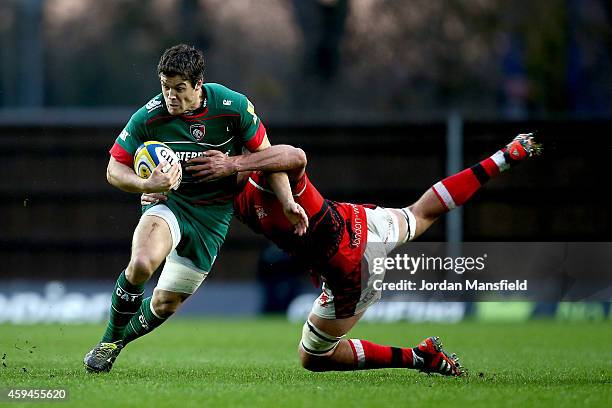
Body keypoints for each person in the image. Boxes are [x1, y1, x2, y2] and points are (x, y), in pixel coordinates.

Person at [146, 132, 542, 376]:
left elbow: (295, 156)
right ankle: (504, 157)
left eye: (218, 161)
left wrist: (232, 163)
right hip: (359, 222)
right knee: (420, 213)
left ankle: (419, 358)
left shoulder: (269, 178)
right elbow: (196, 194)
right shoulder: (228, 190)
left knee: (313, 357)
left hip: (350, 270)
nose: (211, 166)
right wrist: (159, 190)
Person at [83, 44, 307, 373]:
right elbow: (113, 169)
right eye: (165, 86)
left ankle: (117, 342)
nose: (170, 96)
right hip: (170, 205)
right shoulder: (150, 115)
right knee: (142, 263)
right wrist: (147, 185)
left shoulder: (232, 106)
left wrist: (287, 202)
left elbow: (272, 158)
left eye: (179, 89)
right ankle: (107, 343)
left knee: (164, 302)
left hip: (212, 220)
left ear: (198, 85)